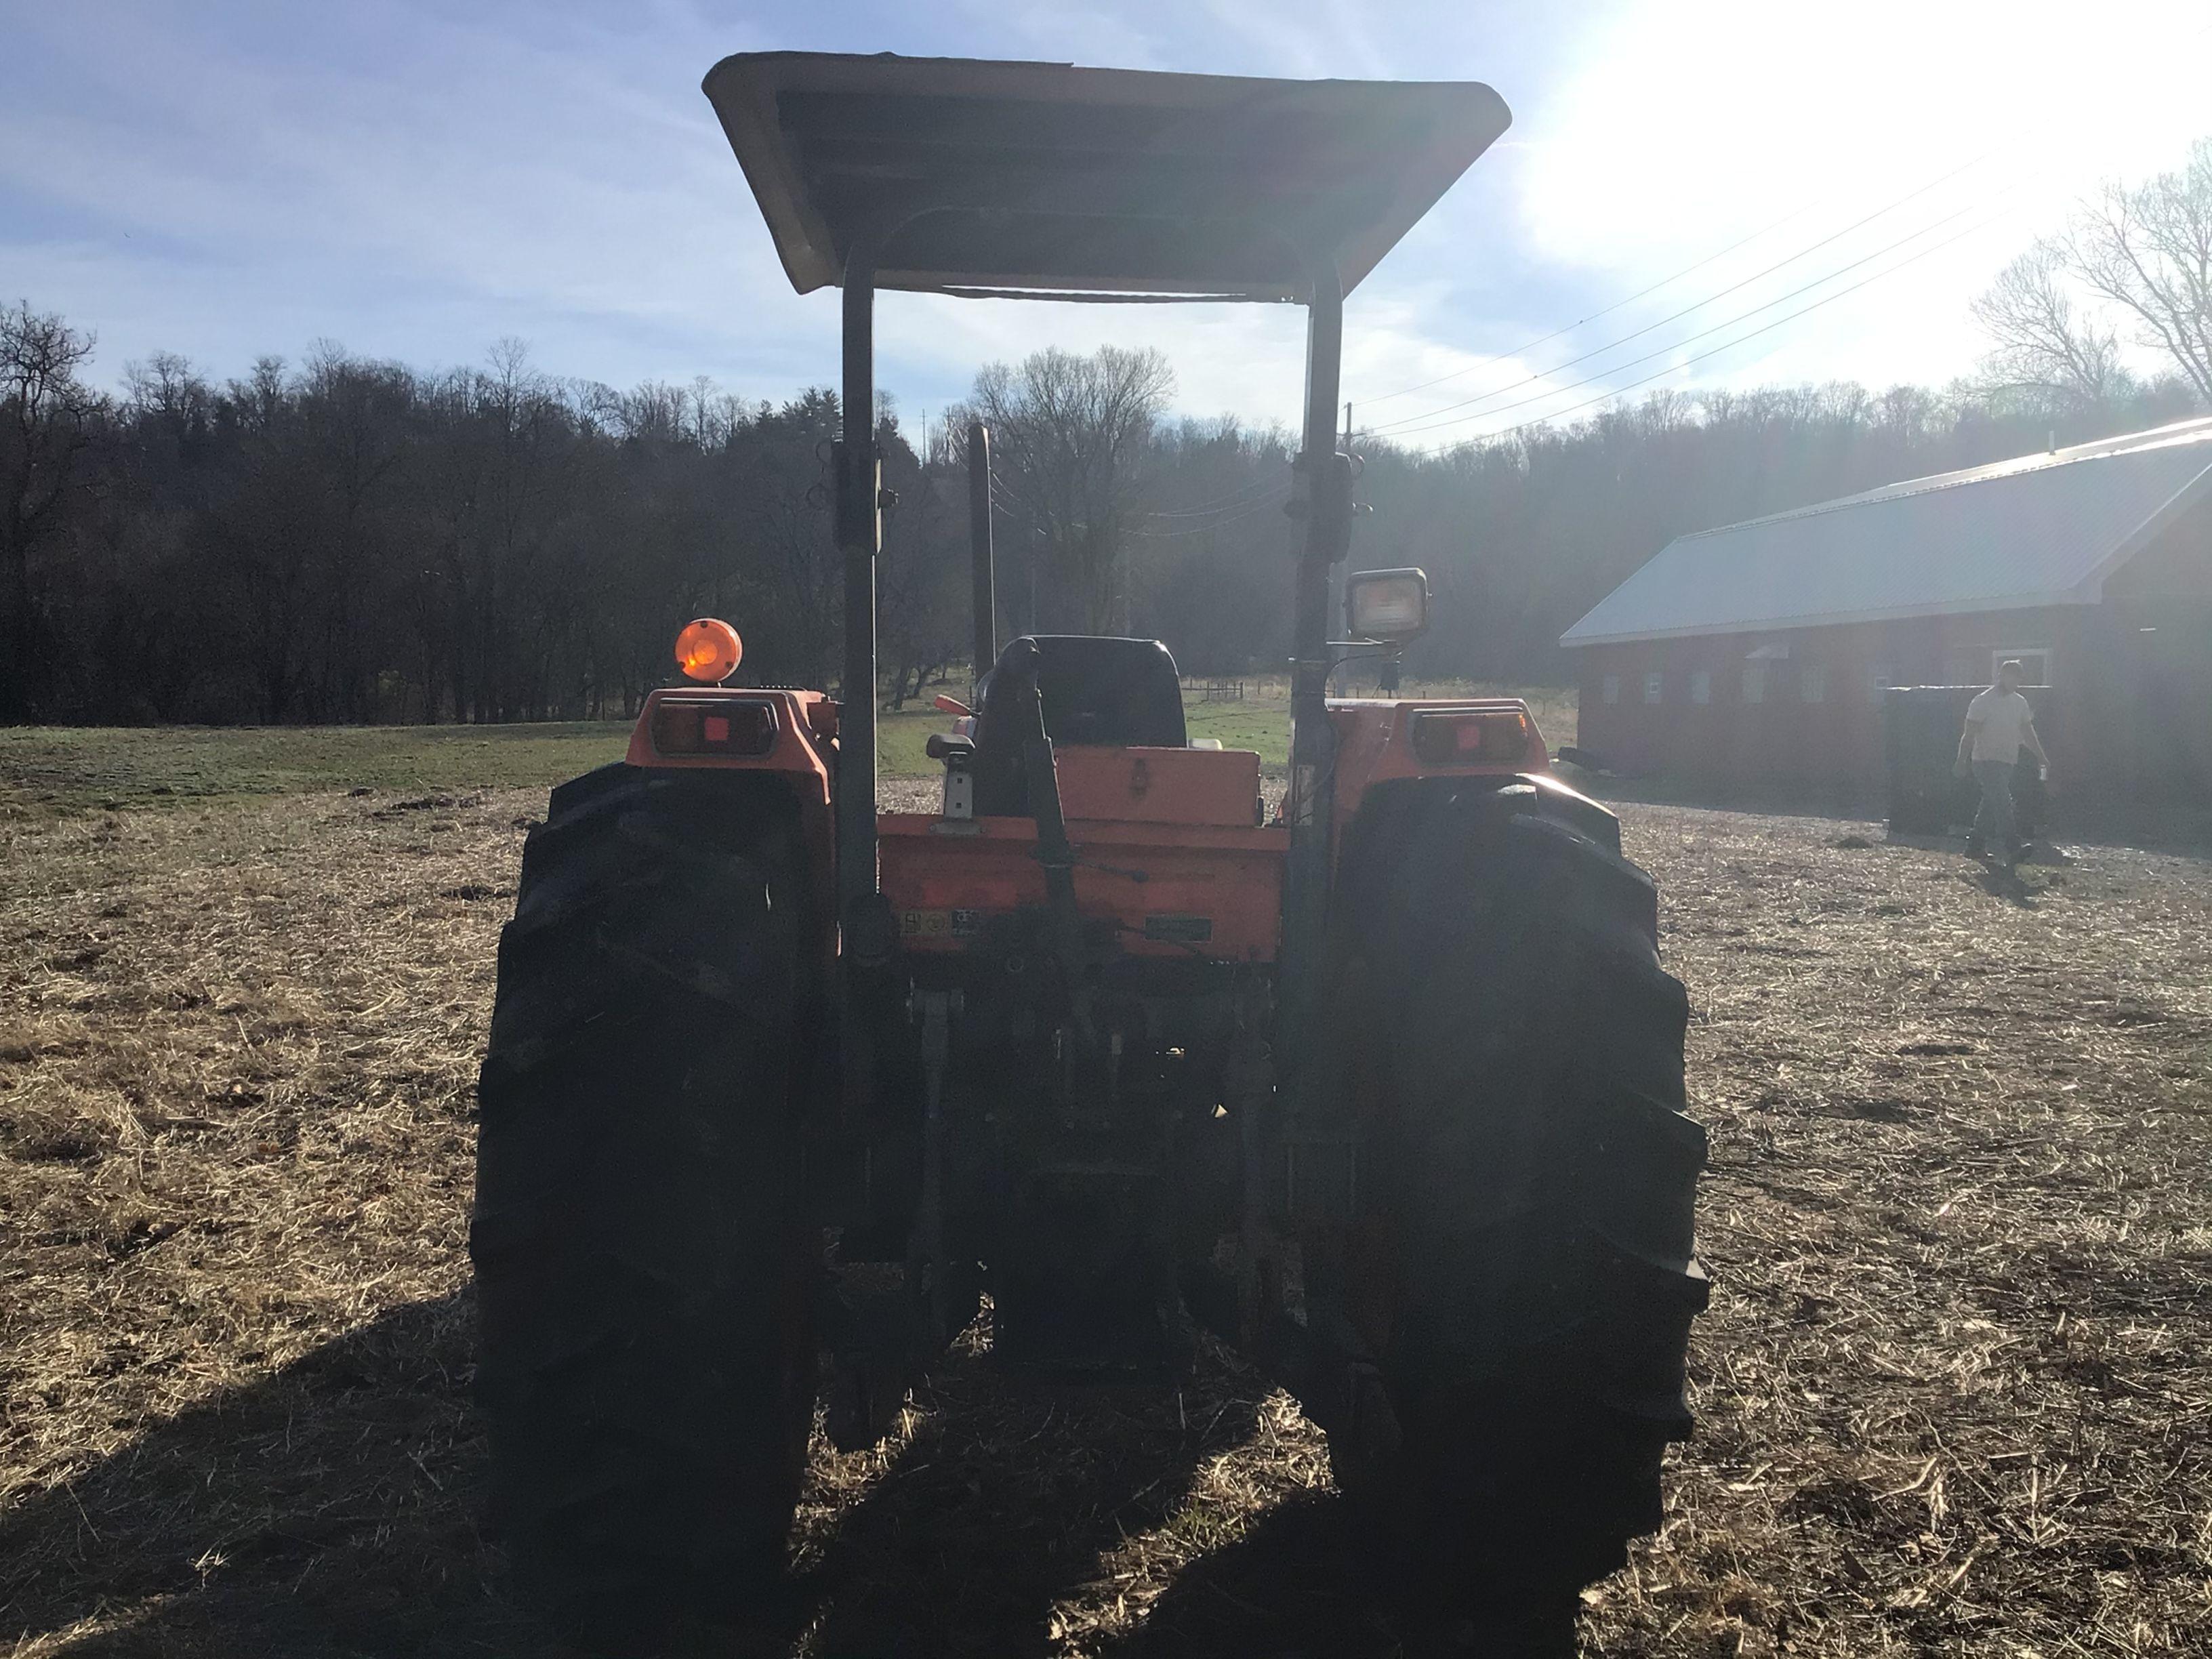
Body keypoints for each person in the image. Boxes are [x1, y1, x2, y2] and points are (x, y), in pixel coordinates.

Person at [1954, 659, 2049, 868]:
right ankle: (2013, 847)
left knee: (1991, 803)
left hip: (2007, 761)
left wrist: (2041, 756)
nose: (2013, 680)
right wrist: (1962, 760)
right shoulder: (1982, 701)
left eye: (2017, 677)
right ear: (2001, 676)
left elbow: (2028, 732)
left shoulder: (2020, 703)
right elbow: (1969, 734)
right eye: (2010, 675)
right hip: (1985, 761)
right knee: (2003, 800)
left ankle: (1975, 846)